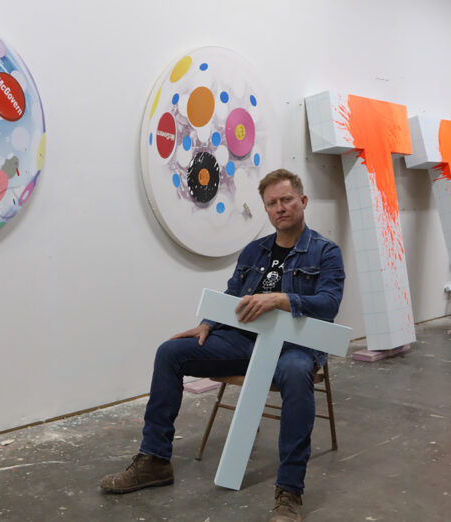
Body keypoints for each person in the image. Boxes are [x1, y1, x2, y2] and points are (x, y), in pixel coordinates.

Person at [100, 169, 345, 522]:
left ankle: (289, 491)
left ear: (303, 201)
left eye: (287, 200)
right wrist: (208, 324)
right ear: (266, 209)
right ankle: (154, 460)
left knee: (295, 372)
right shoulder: (255, 250)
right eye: (272, 203)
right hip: (244, 342)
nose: (280, 208)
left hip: (295, 348)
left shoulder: (325, 252)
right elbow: (232, 295)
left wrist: (281, 299)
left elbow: (329, 303)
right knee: (170, 353)